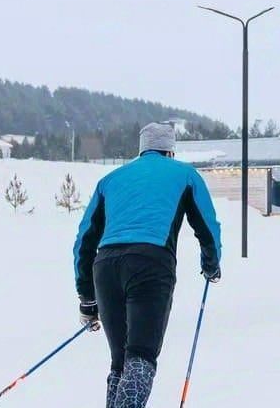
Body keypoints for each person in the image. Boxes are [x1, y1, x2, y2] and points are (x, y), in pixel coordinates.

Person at [73, 122, 222, 408]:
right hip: (151, 264)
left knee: (120, 362)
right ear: (170, 151)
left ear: (142, 149)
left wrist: (87, 298)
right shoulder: (185, 175)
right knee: (140, 356)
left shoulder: (110, 180)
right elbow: (207, 225)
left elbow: (84, 240)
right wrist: (211, 264)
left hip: (105, 267)